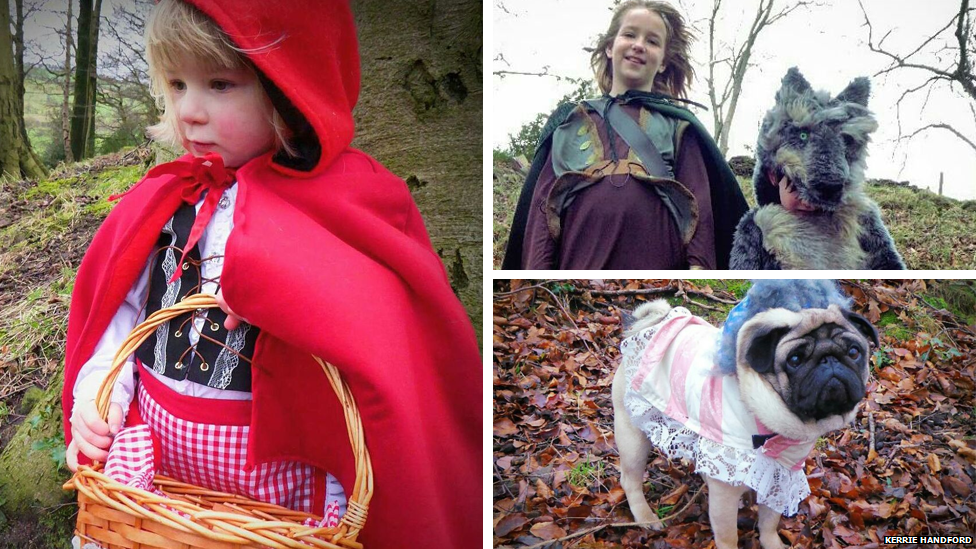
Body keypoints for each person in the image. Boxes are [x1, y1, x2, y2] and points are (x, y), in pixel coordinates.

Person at [60, 1, 481, 548]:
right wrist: (101, 397)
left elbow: (380, 329)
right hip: (157, 478)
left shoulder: (355, 199)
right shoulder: (169, 196)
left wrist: (282, 288)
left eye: (219, 84)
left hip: (279, 488)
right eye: (178, 84)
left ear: (289, 89)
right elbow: (121, 311)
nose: (189, 110)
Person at [502, 0, 748, 270]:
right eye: (630, 34)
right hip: (579, 264)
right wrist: (536, 275)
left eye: (652, 41)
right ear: (610, 46)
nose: (639, 45)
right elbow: (542, 210)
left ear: (664, 61)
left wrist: (699, 268)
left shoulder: (678, 126)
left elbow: (699, 211)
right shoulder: (569, 122)